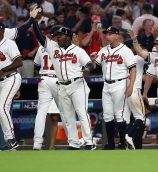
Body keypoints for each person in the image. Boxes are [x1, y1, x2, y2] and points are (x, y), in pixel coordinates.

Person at [31, 8, 95, 150]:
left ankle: (89, 142)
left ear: (67, 35)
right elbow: (40, 37)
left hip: (77, 84)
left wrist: (87, 70)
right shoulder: (53, 48)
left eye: (59, 35)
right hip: (61, 86)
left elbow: (89, 64)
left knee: (82, 113)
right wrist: (34, 21)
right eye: (55, 36)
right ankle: (73, 143)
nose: (57, 38)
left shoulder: (78, 50)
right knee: (68, 116)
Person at [95, 26, 136, 150]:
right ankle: (111, 144)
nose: (107, 36)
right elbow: (95, 66)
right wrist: (92, 59)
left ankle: (122, 143)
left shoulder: (125, 50)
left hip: (120, 83)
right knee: (107, 115)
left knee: (119, 114)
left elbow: (133, 69)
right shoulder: (103, 51)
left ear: (117, 36)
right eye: (106, 33)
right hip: (106, 84)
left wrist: (130, 86)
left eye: (110, 34)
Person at [33, 25, 67, 150]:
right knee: (64, 111)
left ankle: (37, 144)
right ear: (53, 35)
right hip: (57, 79)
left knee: (41, 113)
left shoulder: (42, 47)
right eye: (58, 34)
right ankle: (73, 142)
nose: (60, 36)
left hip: (44, 79)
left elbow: (36, 65)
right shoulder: (63, 46)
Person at [0, 22, 23, 151]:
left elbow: (19, 62)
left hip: (11, 77)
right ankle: (8, 143)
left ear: (3, 31)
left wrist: (3, 70)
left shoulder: (9, 43)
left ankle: (11, 140)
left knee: (2, 107)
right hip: (1, 81)